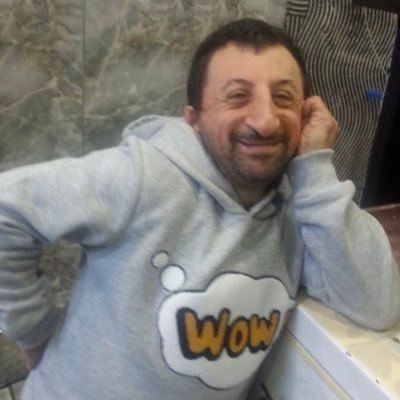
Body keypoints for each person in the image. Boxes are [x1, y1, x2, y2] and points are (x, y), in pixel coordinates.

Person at [0, 18, 399, 400]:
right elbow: (7, 208)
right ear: (193, 119)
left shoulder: (304, 208)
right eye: (237, 96)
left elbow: (377, 305)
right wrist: (33, 332)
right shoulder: (143, 175)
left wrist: (315, 168)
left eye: (283, 98)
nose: (265, 121)